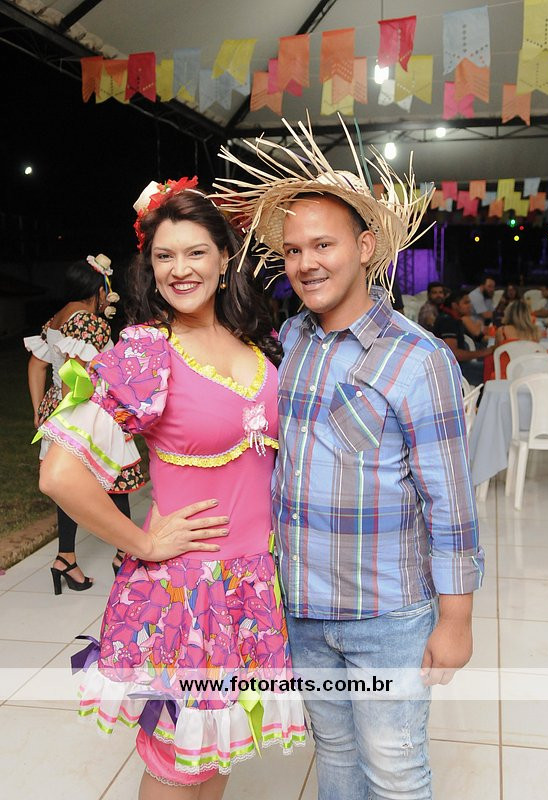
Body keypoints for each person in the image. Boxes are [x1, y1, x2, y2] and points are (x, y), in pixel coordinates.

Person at [216, 120, 484, 800]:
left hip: (386, 616)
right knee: (334, 753)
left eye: (323, 245)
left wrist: (456, 620)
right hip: (304, 608)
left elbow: (451, 501)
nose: (307, 263)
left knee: (393, 768)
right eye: (294, 249)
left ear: (364, 248)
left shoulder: (418, 359)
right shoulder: (292, 340)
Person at [37, 179, 305, 798]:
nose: (180, 269)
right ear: (150, 267)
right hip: (187, 595)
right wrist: (144, 543)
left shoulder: (254, 344)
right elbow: (59, 473)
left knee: (216, 756)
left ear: (225, 257)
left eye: (195, 252)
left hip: (252, 587)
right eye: (165, 256)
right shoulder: (146, 353)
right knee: (177, 765)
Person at [24, 255, 140, 591]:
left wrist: (39, 410)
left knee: (68, 487)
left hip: (58, 412)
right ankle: (125, 553)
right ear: (99, 290)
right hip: (84, 412)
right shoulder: (90, 322)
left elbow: (36, 365)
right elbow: (75, 372)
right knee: (117, 478)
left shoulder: (57, 319)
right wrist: (82, 410)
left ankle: (65, 558)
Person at [433, 290, 493, 385]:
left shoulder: (455, 319)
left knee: (491, 367)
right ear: (455, 305)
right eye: (466, 303)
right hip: (452, 370)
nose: (470, 306)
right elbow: (454, 354)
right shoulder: (447, 321)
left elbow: (477, 336)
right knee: (492, 373)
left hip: (459, 365)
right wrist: (484, 352)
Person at [483, 298, 541, 381]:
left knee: (489, 359)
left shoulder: (502, 331)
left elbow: (496, 351)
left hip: (505, 375)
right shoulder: (535, 332)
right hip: (528, 374)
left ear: (508, 314)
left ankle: (488, 386)